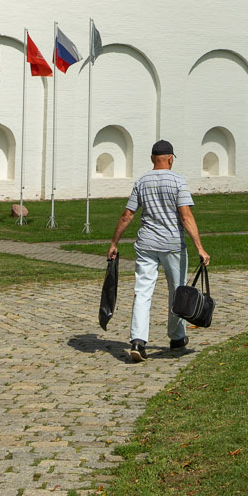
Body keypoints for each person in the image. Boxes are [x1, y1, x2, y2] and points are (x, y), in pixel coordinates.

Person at [107, 139, 210, 362]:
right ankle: (176, 337)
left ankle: (137, 341)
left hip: (146, 245)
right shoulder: (178, 181)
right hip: (172, 245)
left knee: (142, 292)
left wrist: (114, 243)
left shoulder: (141, 181)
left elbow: (128, 215)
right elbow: (185, 216)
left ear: (153, 158)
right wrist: (200, 248)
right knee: (177, 291)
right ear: (170, 158)